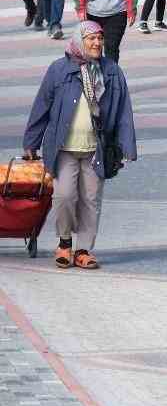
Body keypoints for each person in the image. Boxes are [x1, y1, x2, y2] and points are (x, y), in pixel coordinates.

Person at [22, 21, 137, 271]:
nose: (96, 43)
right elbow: (42, 106)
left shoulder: (111, 71)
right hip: (63, 148)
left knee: (91, 199)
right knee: (64, 196)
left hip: (96, 149)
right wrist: (31, 142)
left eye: (99, 39)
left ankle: (83, 249)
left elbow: (123, 111)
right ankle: (64, 242)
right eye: (90, 39)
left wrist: (127, 145)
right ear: (78, 40)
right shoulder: (59, 70)